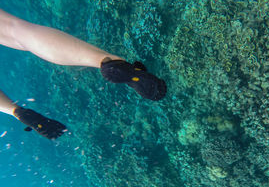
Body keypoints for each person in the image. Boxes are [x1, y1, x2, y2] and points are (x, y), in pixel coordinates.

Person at [0, 9, 167, 139]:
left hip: (10, 108)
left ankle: (18, 113)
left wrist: (14, 110)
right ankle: (108, 63)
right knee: (15, 30)